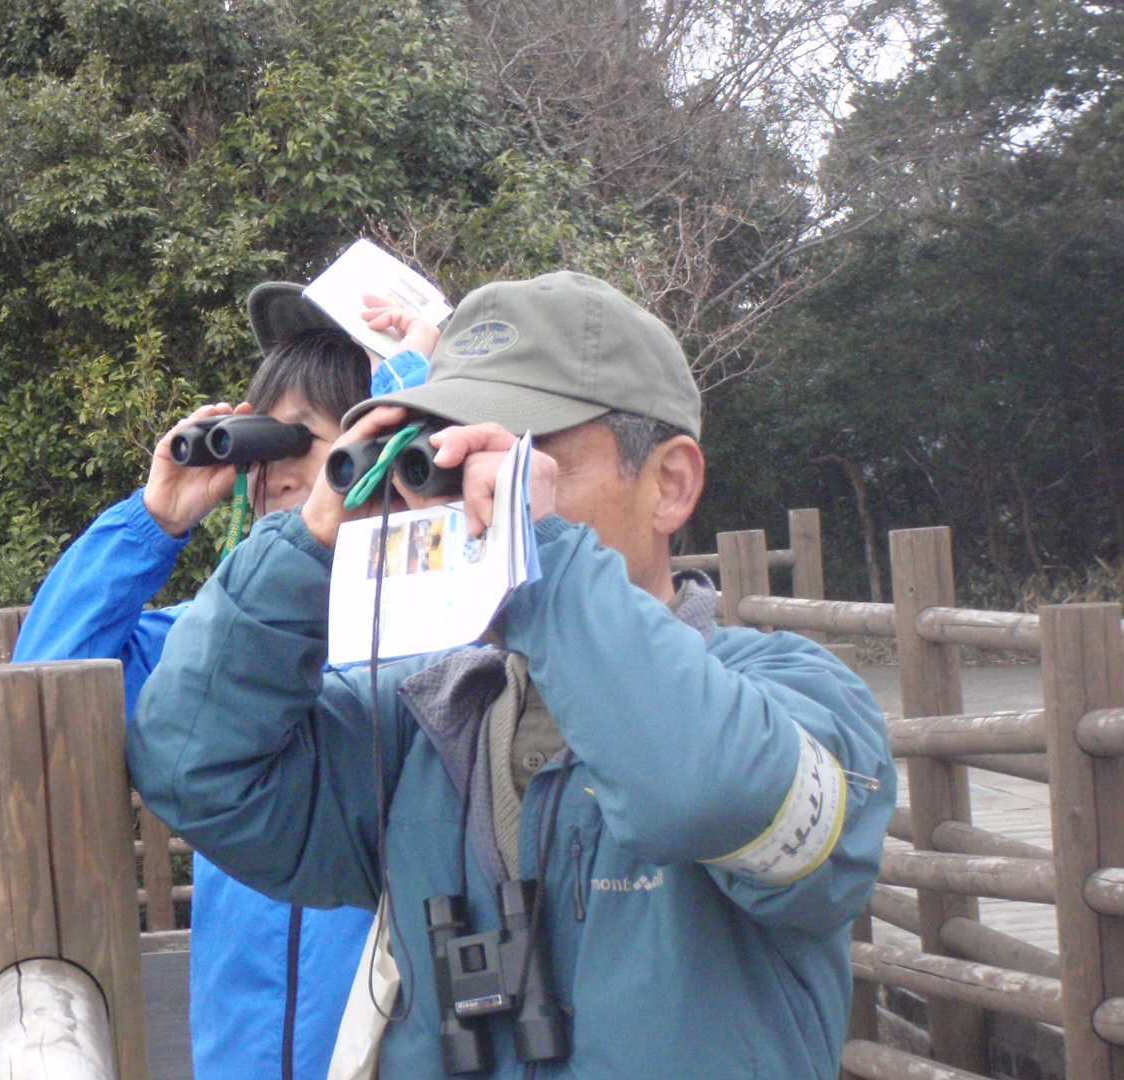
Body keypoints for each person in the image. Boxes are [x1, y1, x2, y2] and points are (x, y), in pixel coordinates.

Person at [129, 271, 894, 1079]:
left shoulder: (798, 695)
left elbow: (705, 791)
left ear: (669, 484)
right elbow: (193, 769)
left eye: (520, 454)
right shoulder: (423, 720)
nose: (470, 488)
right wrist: (312, 542)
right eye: (443, 455)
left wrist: (542, 561)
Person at [12, 282, 439, 1080]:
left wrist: (412, 415)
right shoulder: (209, 654)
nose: (270, 465)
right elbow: (42, 683)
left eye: (299, 439)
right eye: (259, 438)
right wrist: (155, 517)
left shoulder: (446, 643)